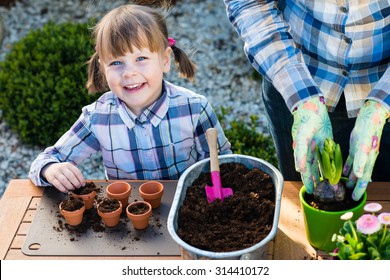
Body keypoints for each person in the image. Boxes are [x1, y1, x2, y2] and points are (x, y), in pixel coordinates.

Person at [29, 2, 231, 193]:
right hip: (129, 213)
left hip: (186, 208)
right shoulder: (97, 117)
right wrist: (51, 169)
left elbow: (223, 165)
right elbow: (46, 159)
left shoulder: (194, 109)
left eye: (141, 59)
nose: (128, 73)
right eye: (116, 63)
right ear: (103, 67)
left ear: (164, 60)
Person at [224, 0, 390, 201]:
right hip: (296, 78)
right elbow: (249, 4)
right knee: (300, 195)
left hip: (383, 80)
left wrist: (382, 104)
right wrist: (302, 98)